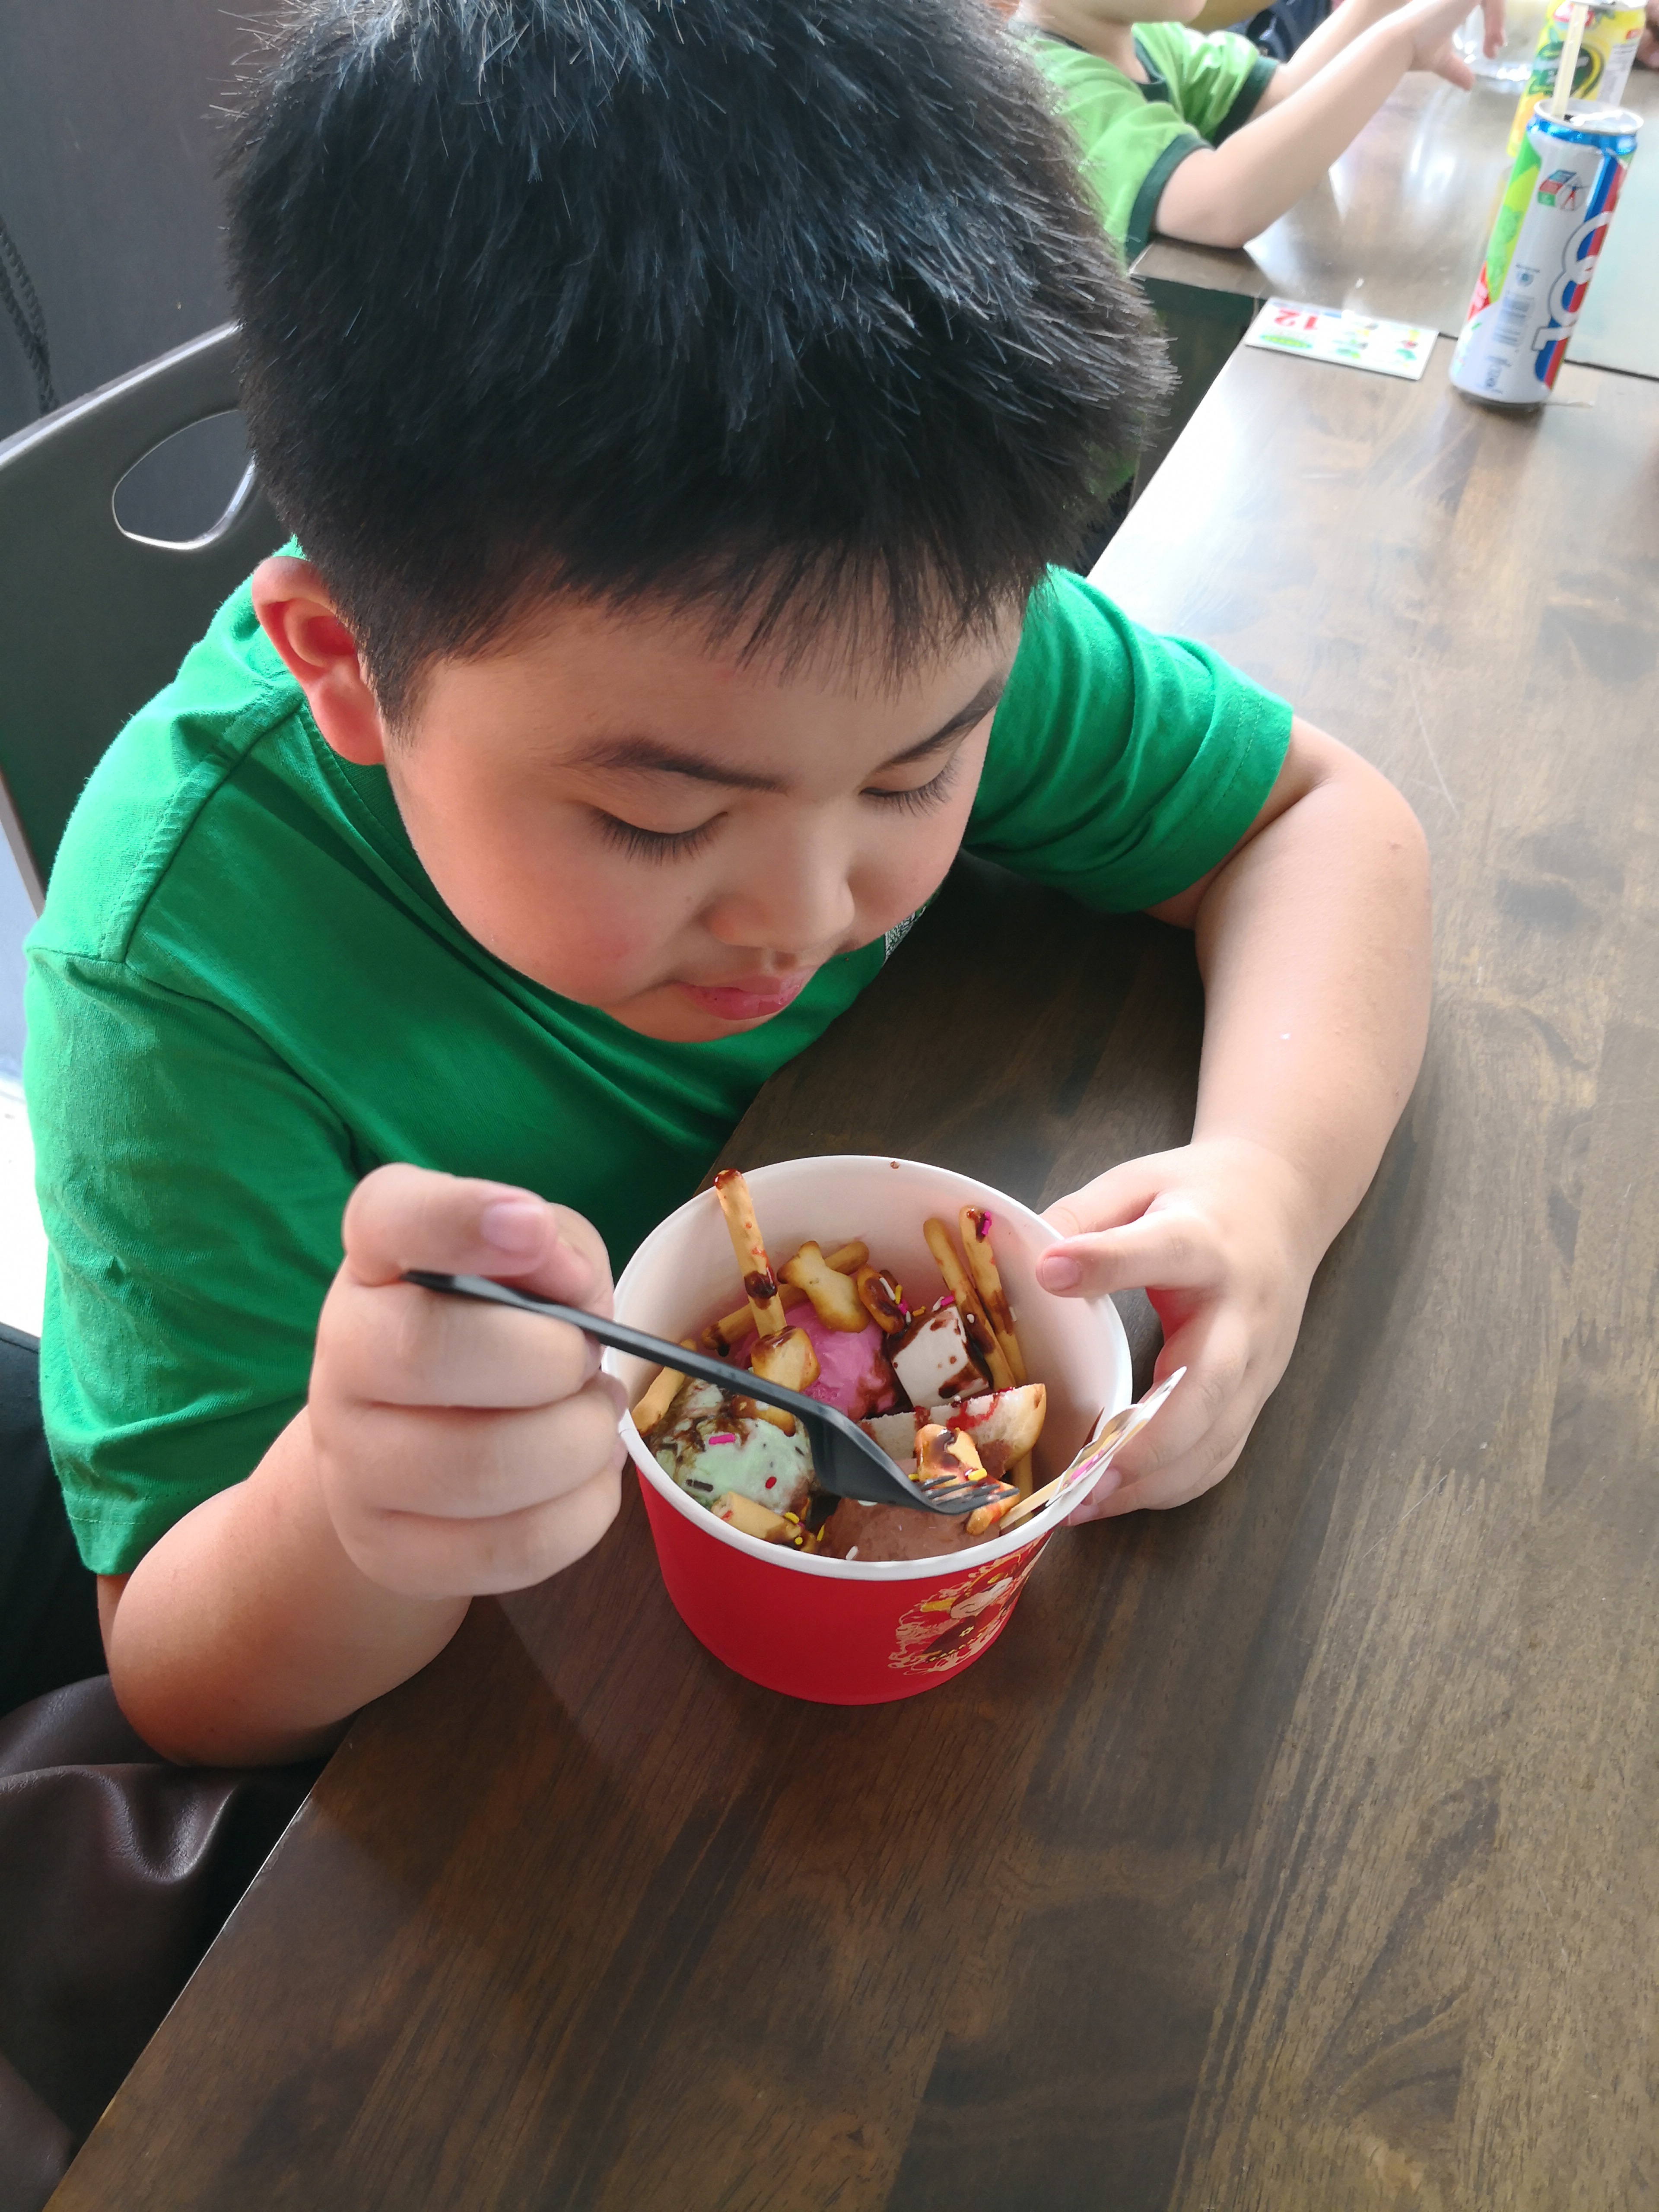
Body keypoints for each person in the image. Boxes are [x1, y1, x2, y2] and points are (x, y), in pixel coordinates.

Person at [24, 0, 1429, 1768]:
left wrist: (1271, 1187)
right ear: (348, 668)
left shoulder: (893, 606)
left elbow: (1325, 821)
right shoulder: (173, 978)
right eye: (662, 819)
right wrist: (348, 1510)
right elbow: (177, 1674)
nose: (814, 909)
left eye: (916, 779)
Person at [1012, 0, 1488, 259]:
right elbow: (1222, 204)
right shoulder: (1047, 84)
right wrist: (1400, 42)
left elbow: (1287, 93)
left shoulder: (1143, 38)